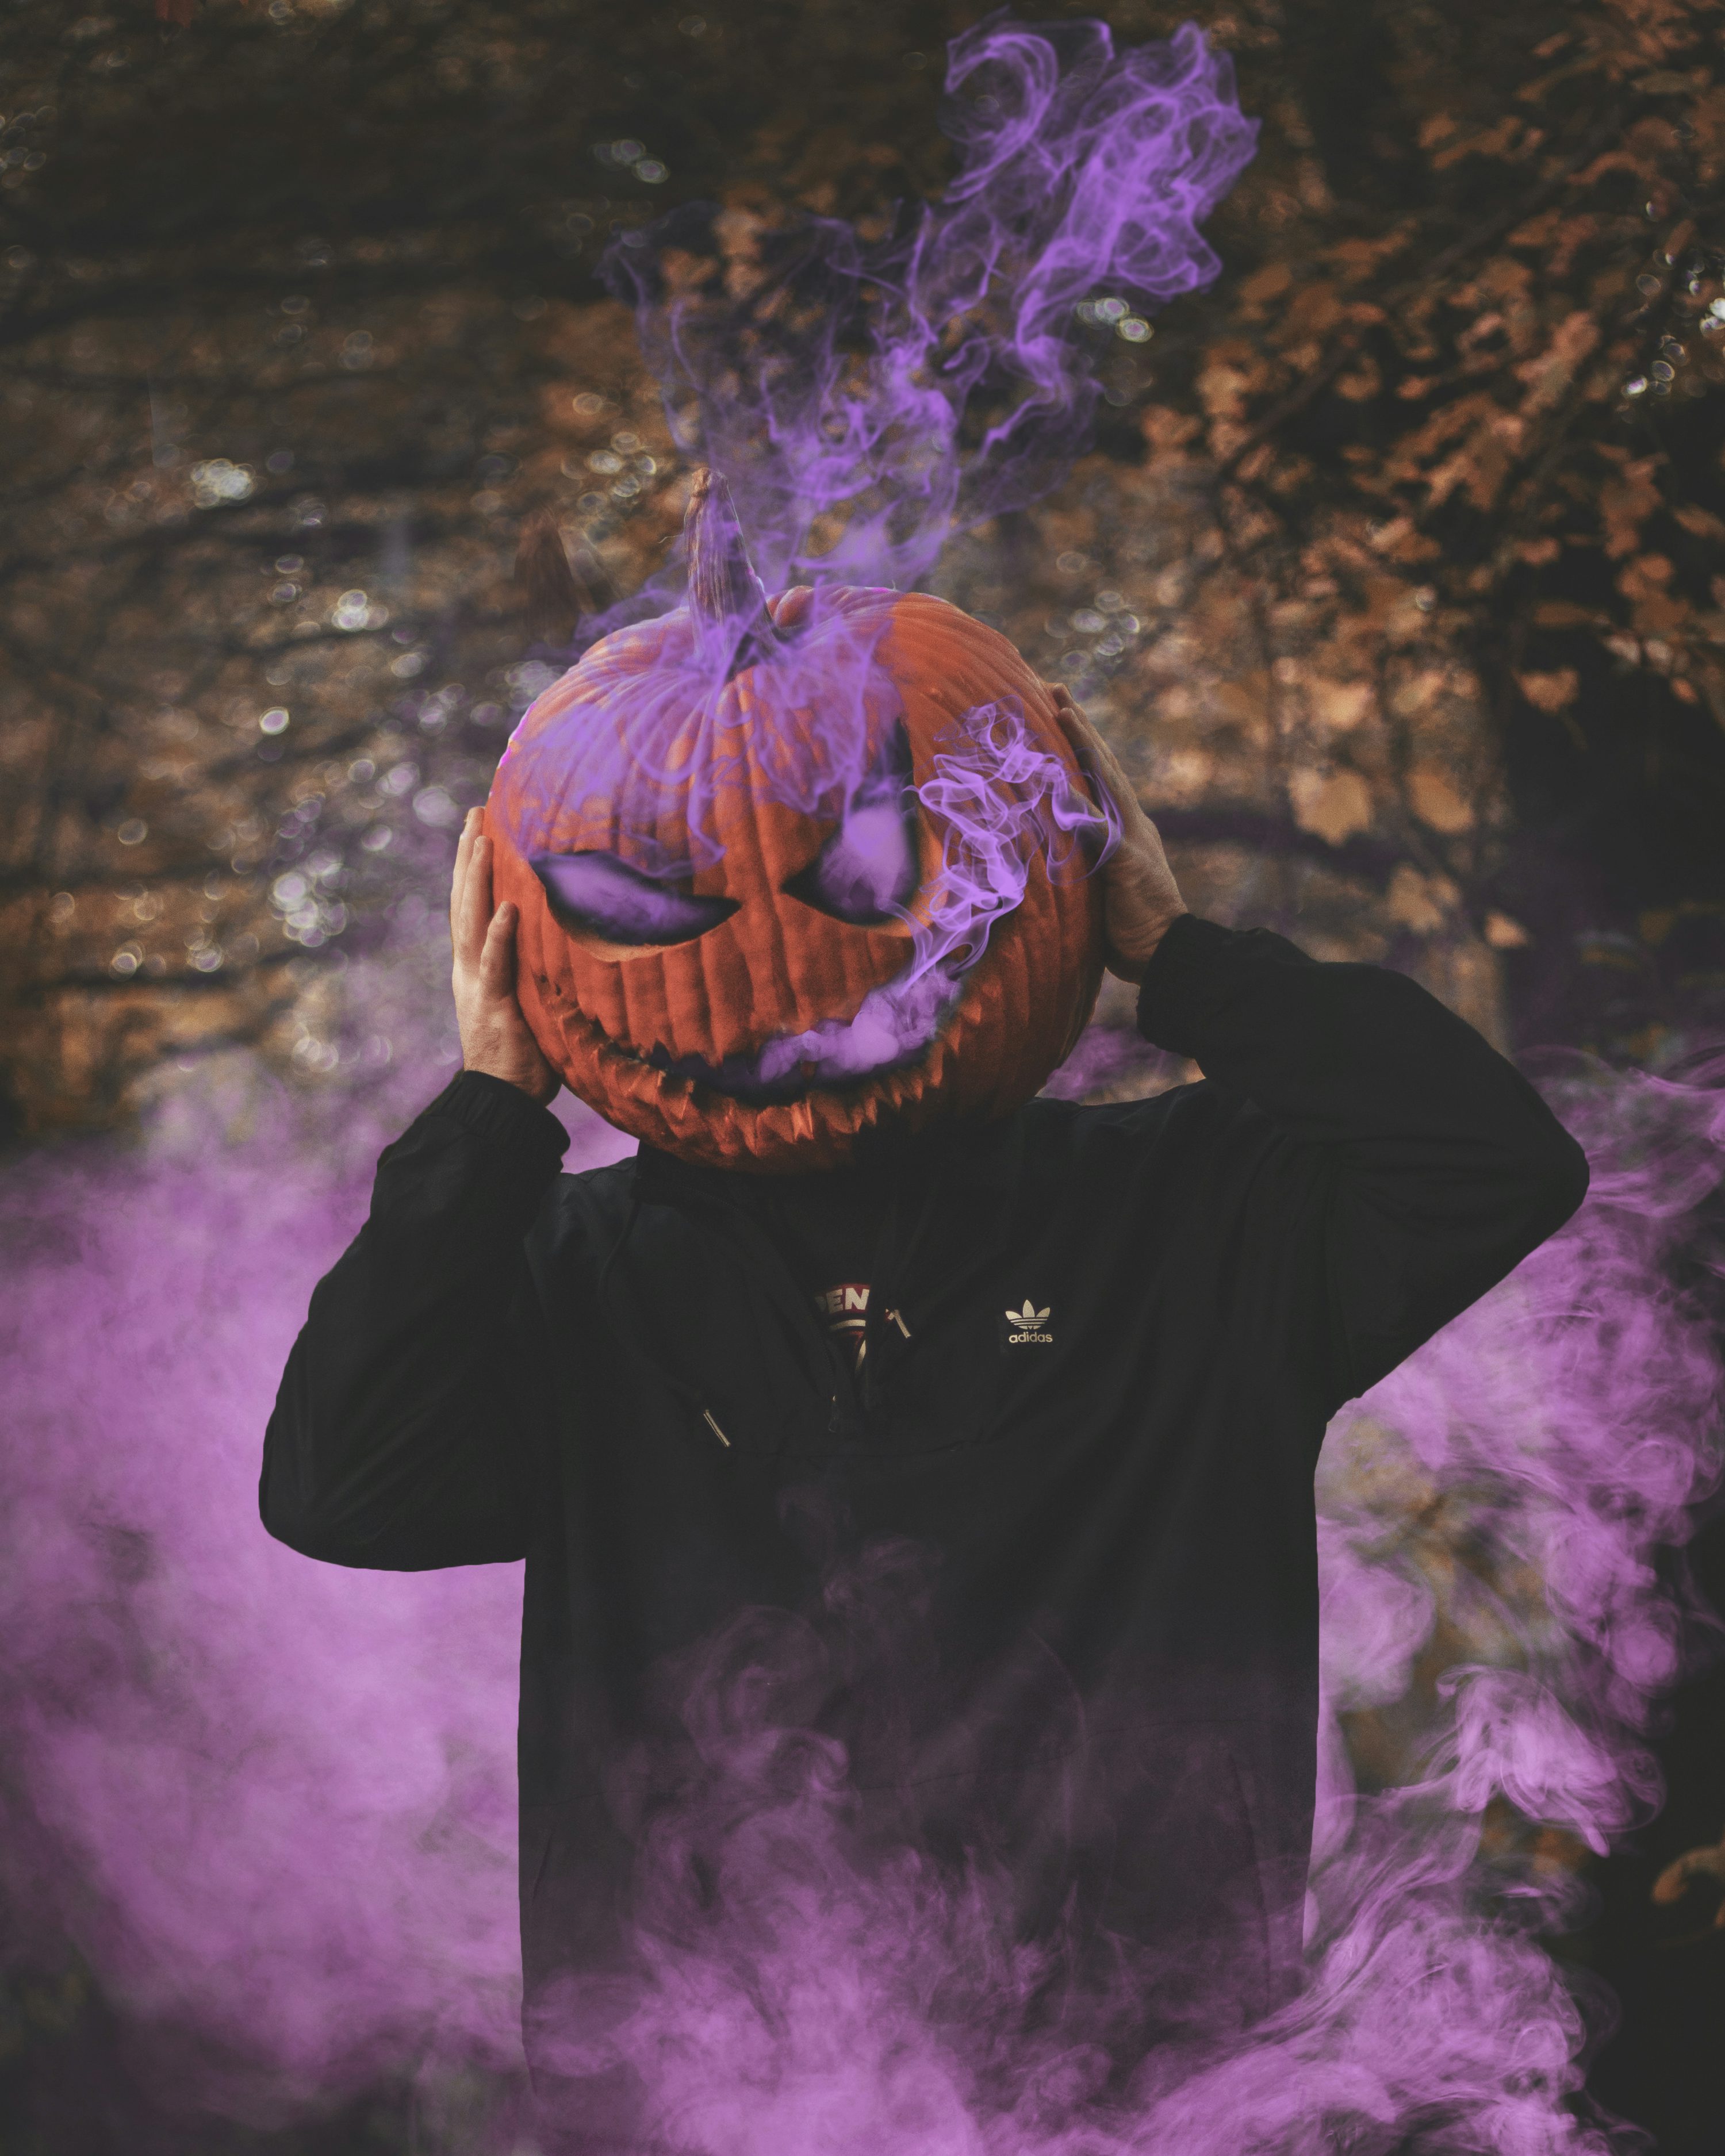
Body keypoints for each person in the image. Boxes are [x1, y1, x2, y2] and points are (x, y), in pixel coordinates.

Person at [262, 700, 1589, 2141]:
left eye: (863, 873)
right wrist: (492, 1112)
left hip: (1155, 2100)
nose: (770, 944)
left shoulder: (1194, 1217)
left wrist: (1183, 961)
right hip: (702, 2101)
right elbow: (344, 1486)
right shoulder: (567, 1277)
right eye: (654, 900)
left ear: (1021, 888)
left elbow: (1493, 1162)